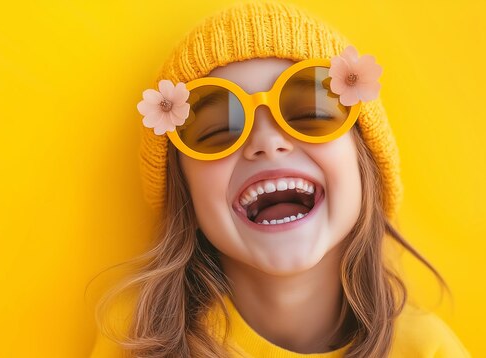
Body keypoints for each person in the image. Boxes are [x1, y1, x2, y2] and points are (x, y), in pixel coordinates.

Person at [89, 1, 471, 357]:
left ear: (364, 161)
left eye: (309, 113)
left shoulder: (428, 350)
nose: (267, 143)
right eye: (217, 130)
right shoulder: (139, 337)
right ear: (184, 191)